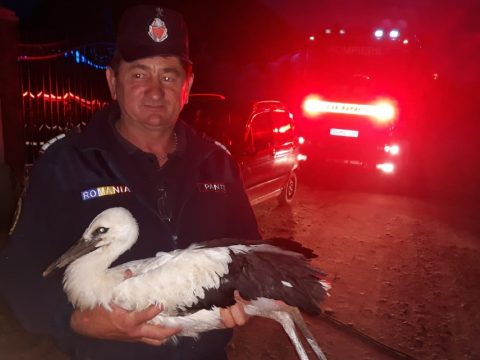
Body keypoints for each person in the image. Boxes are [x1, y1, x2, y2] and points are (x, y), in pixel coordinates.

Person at [0, 5, 260, 360]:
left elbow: (249, 253)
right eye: (139, 75)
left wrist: (246, 292)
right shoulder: (65, 163)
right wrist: (75, 319)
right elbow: (19, 272)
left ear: (188, 86)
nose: (155, 91)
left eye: (168, 76)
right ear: (112, 82)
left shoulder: (219, 164)